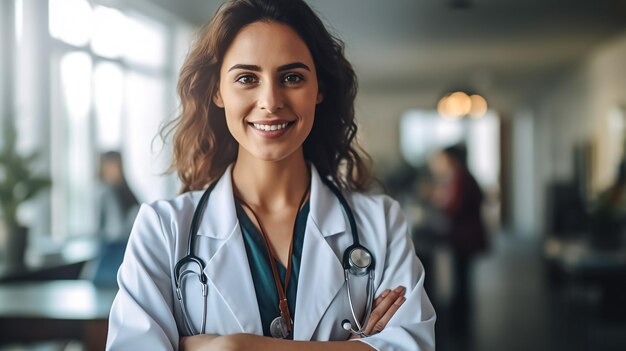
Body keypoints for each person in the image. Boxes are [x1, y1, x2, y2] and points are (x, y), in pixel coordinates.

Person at [106, 0, 435, 350]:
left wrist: (232, 347)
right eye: (247, 78)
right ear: (217, 91)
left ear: (318, 89)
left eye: (291, 77)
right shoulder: (162, 229)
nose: (270, 100)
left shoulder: (381, 223)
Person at [429, 144, 487, 334]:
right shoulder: (462, 177)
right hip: (464, 235)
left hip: (464, 237)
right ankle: (460, 318)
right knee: (462, 276)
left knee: (462, 277)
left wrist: (437, 199)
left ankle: (460, 322)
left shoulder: (460, 178)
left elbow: (454, 206)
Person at [96, 151, 139, 242]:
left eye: (115, 166)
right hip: (109, 243)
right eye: (109, 166)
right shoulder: (102, 190)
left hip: (124, 241)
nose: (112, 170)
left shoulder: (124, 189)